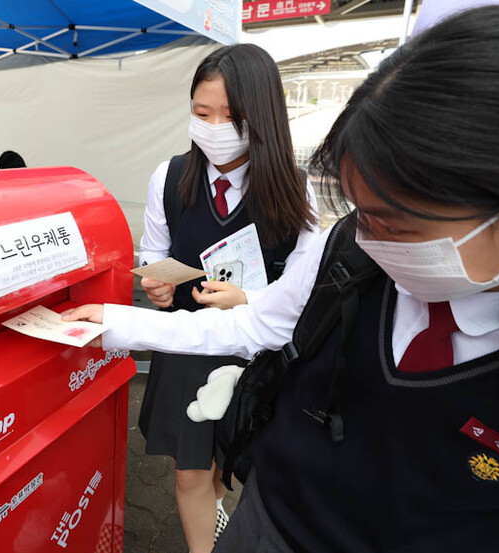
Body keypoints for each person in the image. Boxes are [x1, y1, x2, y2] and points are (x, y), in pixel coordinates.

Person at [64, 7, 499, 552]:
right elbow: (255, 325)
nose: (368, 238)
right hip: (266, 521)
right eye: (359, 211)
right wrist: (117, 321)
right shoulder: (349, 251)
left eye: (396, 222)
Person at [133, 44, 318, 553]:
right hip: (189, 344)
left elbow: (308, 286)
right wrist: (157, 283)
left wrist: (250, 299)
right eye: (201, 113)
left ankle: (217, 502)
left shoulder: (298, 190)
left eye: (232, 116)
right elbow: (155, 249)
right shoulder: (168, 177)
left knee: (228, 462)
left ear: (263, 117)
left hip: (257, 354)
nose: (214, 126)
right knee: (190, 472)